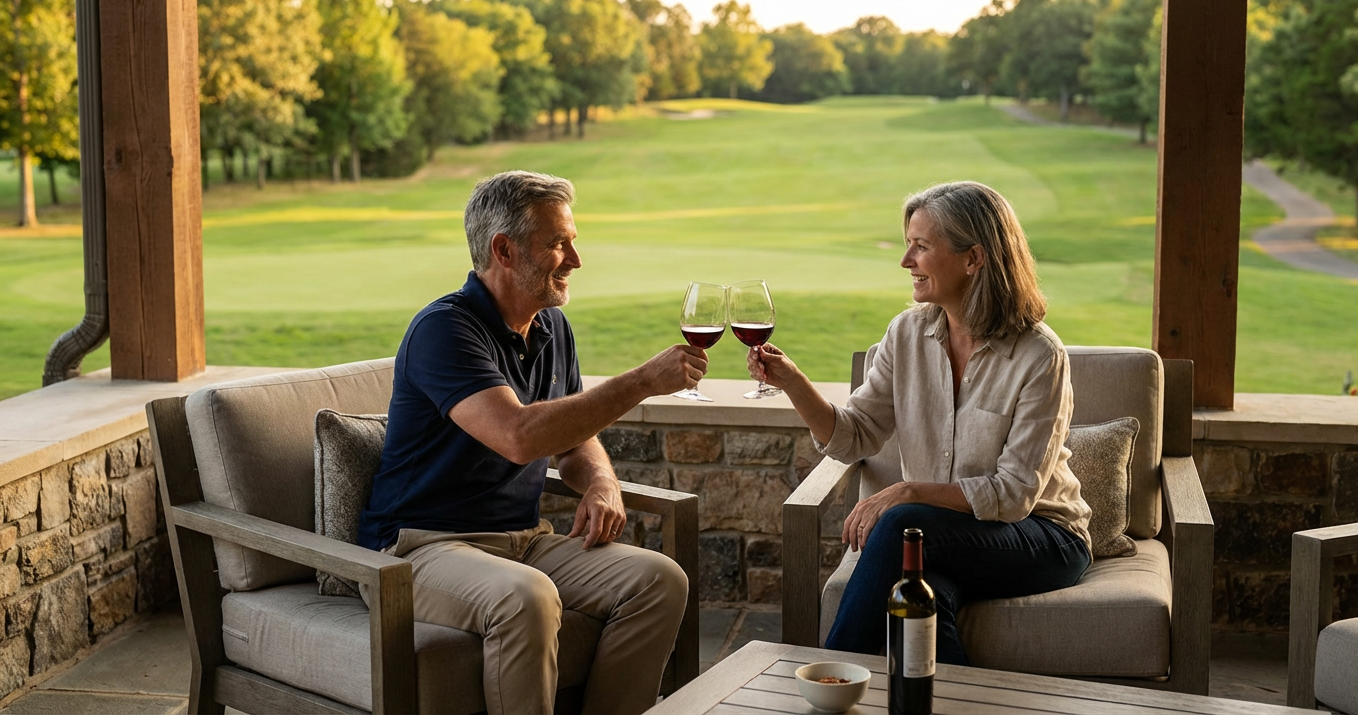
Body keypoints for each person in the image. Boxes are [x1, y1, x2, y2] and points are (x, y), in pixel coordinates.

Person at [357, 170, 707, 715]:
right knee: (528, 597)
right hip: (418, 549)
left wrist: (600, 481)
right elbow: (518, 437)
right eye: (557, 243)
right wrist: (641, 382)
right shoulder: (444, 330)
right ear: (504, 249)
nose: (575, 259)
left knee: (659, 580)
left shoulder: (549, 326)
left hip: (522, 539)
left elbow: (574, 436)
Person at [747, 181, 1092, 663]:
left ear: (973, 259)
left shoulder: (1038, 355)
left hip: (1041, 538)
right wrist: (792, 382)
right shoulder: (905, 333)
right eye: (908, 244)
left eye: (921, 247)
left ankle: (830, 677)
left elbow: (1014, 496)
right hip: (947, 537)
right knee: (920, 602)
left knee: (903, 526)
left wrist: (909, 491)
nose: (906, 261)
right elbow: (854, 437)